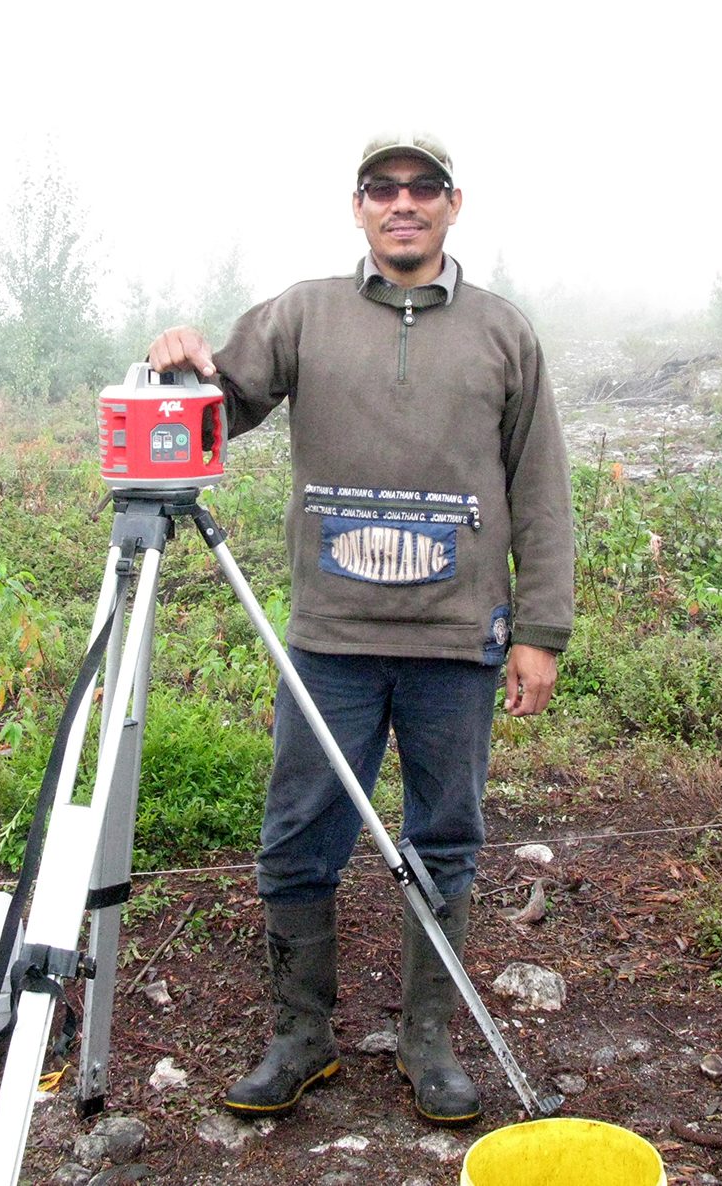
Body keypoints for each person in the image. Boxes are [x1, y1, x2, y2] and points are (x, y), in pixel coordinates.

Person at [147, 131, 574, 1125]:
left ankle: (429, 1043)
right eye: (383, 189)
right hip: (330, 640)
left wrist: (541, 630)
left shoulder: (504, 334)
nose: (403, 204)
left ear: (453, 206)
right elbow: (215, 411)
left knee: (446, 844)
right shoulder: (304, 314)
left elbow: (541, 490)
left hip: (456, 645)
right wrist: (177, 370)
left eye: (423, 189)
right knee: (298, 840)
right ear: (359, 209)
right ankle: (301, 1039)